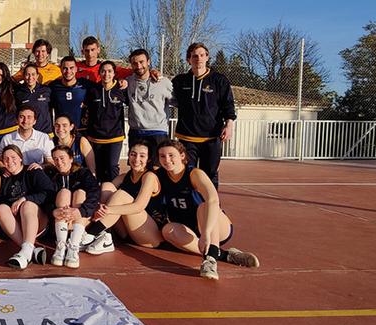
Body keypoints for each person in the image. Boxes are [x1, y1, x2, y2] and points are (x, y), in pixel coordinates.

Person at [156, 140, 259, 280]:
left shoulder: (194, 174)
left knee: (204, 206)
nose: (167, 160)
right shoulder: (160, 175)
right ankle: (224, 255)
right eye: (162, 156)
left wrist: (205, 234)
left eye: (171, 155)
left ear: (181, 155)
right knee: (167, 231)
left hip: (215, 226)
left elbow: (213, 200)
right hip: (190, 230)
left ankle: (210, 259)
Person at [171, 42, 236, 188]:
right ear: (189, 59)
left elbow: (228, 105)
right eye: (194, 56)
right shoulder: (180, 81)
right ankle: (189, 207)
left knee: (210, 175)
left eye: (202, 55)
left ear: (207, 57)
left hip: (211, 137)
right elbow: (163, 90)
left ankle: (212, 207)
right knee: (187, 174)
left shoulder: (219, 80)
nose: (198, 58)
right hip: (186, 137)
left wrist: (229, 125)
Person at [82, 142, 165, 254]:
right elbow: (101, 196)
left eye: (142, 156)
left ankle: (91, 234)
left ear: (149, 159)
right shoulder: (124, 177)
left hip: (149, 234)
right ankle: (104, 236)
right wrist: (97, 207)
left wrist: (108, 210)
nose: (136, 159)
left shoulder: (149, 176)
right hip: (126, 232)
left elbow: (139, 207)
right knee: (107, 186)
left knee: (121, 195)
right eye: (133, 154)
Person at [0, 145, 56, 269]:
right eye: (6, 159)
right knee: (1, 209)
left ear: (21, 158)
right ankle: (30, 250)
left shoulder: (33, 171)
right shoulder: (4, 178)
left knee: (27, 205)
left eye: (13, 157)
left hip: (37, 220)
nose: (10, 161)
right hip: (17, 225)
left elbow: (49, 193)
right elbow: (1, 200)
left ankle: (26, 251)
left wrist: (25, 198)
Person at [47, 145, 100, 268]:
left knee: (80, 193)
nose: (59, 162)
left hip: (81, 221)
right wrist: (53, 211)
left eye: (62, 158)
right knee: (64, 192)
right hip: (60, 222)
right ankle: (60, 247)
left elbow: (94, 193)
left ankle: (73, 247)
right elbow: (46, 197)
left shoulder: (83, 173)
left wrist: (80, 211)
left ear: (71, 158)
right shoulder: (52, 176)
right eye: (55, 159)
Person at [126, 49, 173, 165]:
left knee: (158, 168)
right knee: (136, 168)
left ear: (148, 61)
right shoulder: (128, 82)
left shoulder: (163, 82)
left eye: (142, 62)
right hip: (136, 132)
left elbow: (178, 102)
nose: (139, 66)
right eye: (135, 63)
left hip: (158, 132)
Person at [83, 61, 128, 181]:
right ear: (99, 73)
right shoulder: (93, 90)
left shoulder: (121, 89)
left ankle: (114, 192)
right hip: (96, 137)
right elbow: (87, 110)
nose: (106, 74)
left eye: (109, 71)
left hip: (115, 136)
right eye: (103, 71)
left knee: (112, 166)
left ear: (114, 74)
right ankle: (100, 194)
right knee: (99, 168)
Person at [49, 56, 94, 127]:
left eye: (71, 68)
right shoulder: (53, 87)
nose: (68, 71)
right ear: (60, 69)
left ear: (76, 69)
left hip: (82, 131)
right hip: (62, 132)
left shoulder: (86, 85)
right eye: (65, 68)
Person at [14, 63, 53, 135]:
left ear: (37, 76)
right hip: (26, 133)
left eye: (33, 74)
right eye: (27, 74)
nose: (30, 77)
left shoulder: (46, 90)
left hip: (45, 132)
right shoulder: (18, 92)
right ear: (23, 76)